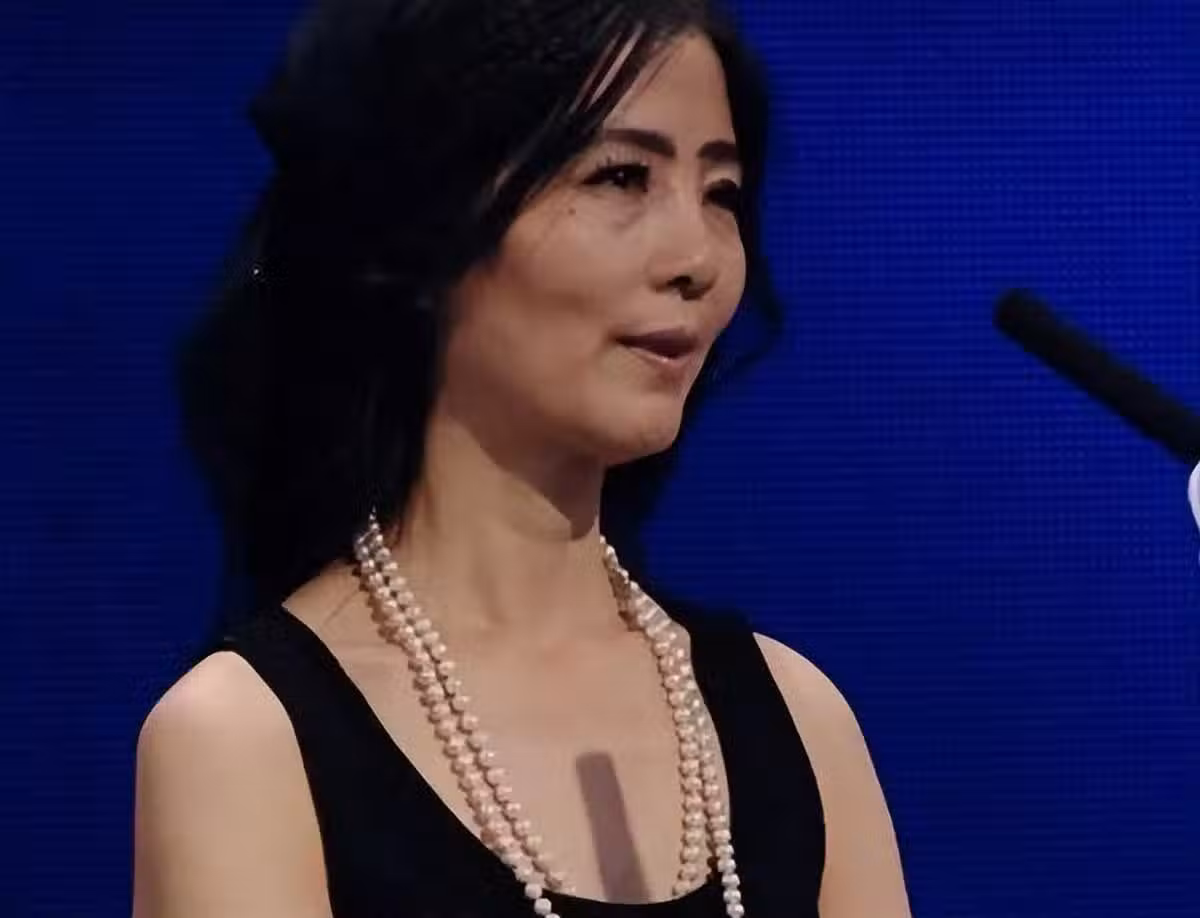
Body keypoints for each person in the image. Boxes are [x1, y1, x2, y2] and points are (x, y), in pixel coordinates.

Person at [132, 1, 911, 916]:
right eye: (622, 177)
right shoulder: (246, 738)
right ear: (426, 223)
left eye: (722, 193)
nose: (697, 256)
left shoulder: (798, 721)